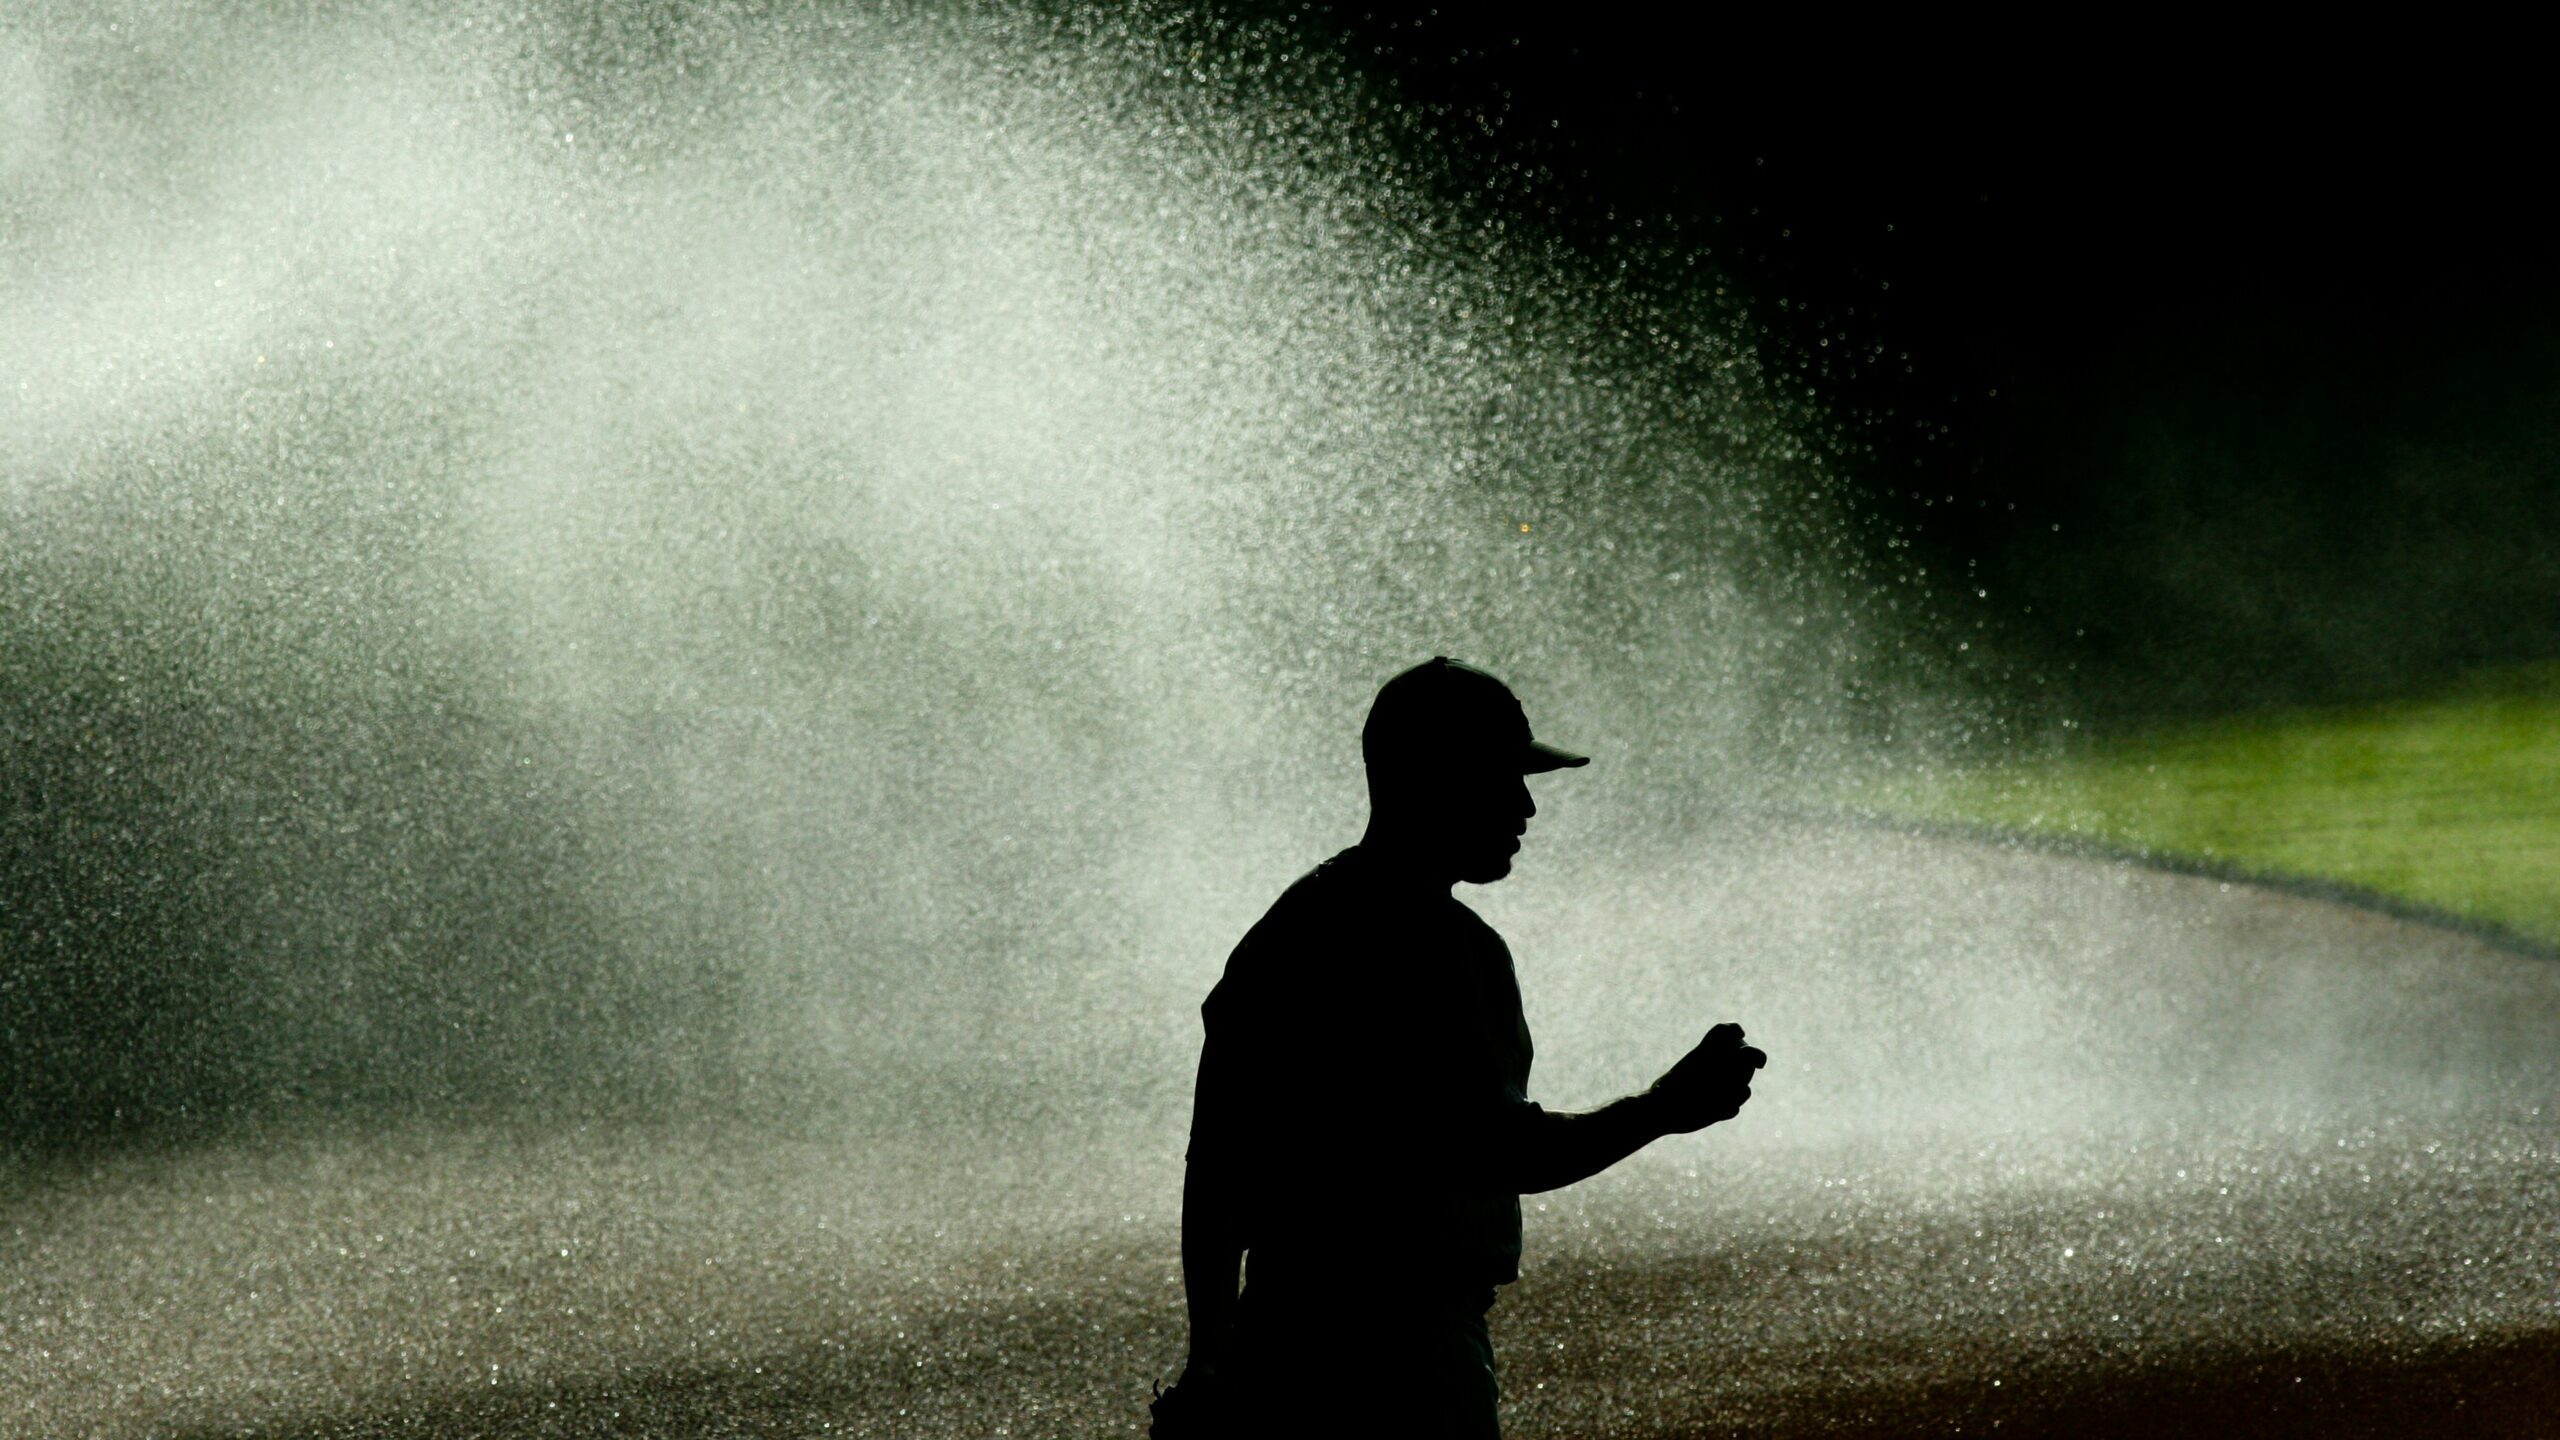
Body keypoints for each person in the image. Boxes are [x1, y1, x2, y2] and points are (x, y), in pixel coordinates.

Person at [1152, 657, 1766, 1439]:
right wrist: (1662, 1110)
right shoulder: (1440, 950)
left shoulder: (1289, 930)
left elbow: (1217, 1169)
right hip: (1402, 1358)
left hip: (1277, 1341)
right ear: (1432, 779)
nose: (1526, 804)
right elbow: (1504, 1152)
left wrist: (1211, 1356)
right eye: (1501, 778)